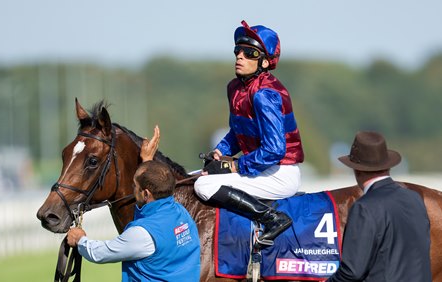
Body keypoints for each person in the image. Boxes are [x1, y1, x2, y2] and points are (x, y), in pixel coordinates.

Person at [194, 20, 304, 247]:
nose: (240, 56)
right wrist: (220, 152)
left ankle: (273, 220)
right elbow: (237, 132)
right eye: (238, 50)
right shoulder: (235, 87)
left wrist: (235, 166)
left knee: (203, 186)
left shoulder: (265, 94)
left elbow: (275, 150)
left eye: (249, 52)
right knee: (194, 177)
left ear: (264, 61)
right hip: (260, 166)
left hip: (279, 172)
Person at [67, 126, 201, 281]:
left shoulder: (141, 234)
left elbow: (101, 253)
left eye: (135, 187)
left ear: (146, 194)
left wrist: (80, 240)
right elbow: (153, 192)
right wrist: (147, 162)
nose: (133, 189)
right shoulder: (181, 213)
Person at [327, 131, 431, 282]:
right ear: (387, 166)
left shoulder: (364, 208)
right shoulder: (414, 199)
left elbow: (352, 272)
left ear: (357, 170)